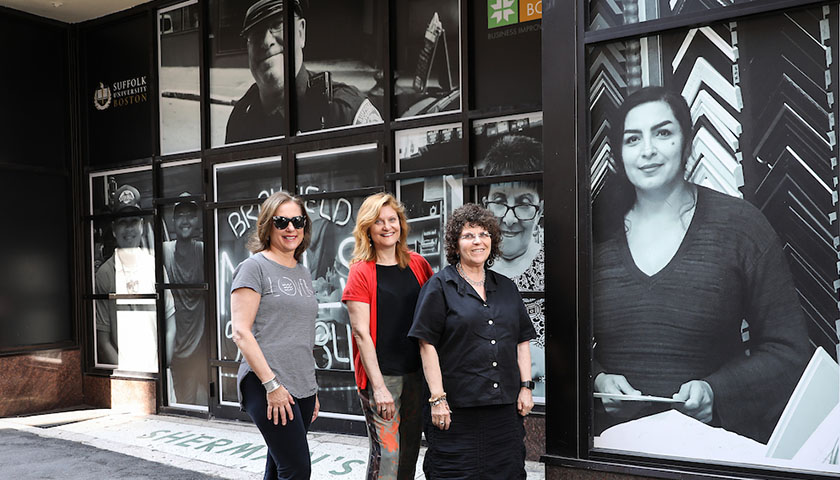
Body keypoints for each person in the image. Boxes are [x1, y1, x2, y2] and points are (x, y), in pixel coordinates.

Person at [592, 86, 811, 443]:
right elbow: (556, 344)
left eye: (663, 133)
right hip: (610, 449)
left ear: (688, 143)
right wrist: (597, 380)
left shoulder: (741, 226)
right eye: (633, 139)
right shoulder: (591, 233)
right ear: (619, 153)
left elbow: (788, 352)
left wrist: (717, 393)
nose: (648, 150)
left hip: (709, 450)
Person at [409, 204, 536, 479]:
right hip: (456, 410)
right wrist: (437, 399)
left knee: (508, 472)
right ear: (456, 244)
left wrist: (526, 387)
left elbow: (522, 339)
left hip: (504, 410)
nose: (478, 241)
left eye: (483, 234)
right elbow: (426, 344)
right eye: (468, 235)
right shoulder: (440, 286)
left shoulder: (506, 287)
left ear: (492, 240)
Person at [342, 193, 434, 480]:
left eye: (392, 220)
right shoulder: (361, 271)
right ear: (367, 228)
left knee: (408, 452)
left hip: (416, 374)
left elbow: (433, 316)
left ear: (401, 224)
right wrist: (379, 387)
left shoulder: (418, 264)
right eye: (378, 221)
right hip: (383, 377)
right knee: (387, 454)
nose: (386, 227)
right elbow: (360, 333)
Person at [230, 191, 319, 479]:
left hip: (301, 386)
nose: (291, 228)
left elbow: (300, 334)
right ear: (268, 226)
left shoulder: (303, 273)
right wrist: (272, 386)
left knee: (278, 466)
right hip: (266, 384)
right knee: (296, 469)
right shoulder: (254, 267)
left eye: (298, 221)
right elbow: (241, 332)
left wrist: (311, 389)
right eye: (282, 221)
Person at [225, 0, 383, 143]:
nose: (267, 42)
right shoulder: (240, 120)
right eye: (257, 33)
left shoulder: (346, 114)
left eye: (278, 24)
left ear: (301, 33)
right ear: (248, 48)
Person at [95, 184, 174, 368]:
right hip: (126, 378)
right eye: (123, 222)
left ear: (141, 225)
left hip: (159, 374)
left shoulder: (154, 266)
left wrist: (162, 366)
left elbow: (170, 325)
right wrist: (129, 376)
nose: (128, 229)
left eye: (133, 222)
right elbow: (103, 339)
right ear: (114, 229)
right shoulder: (105, 275)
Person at [482, 134, 544, 291]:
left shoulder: (559, 267)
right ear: (485, 207)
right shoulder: (464, 272)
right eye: (499, 201)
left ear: (540, 210)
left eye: (523, 203)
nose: (510, 219)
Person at [162, 192, 207, 406]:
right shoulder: (165, 251)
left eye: (190, 215)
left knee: (206, 401)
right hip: (176, 344)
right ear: (173, 222)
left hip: (201, 343)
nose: (186, 220)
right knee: (184, 403)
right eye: (180, 215)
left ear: (197, 220)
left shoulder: (203, 252)